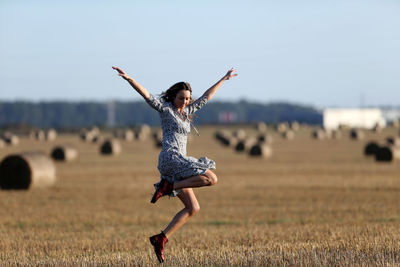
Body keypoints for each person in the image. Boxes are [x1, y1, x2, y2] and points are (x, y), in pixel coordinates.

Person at [112, 66, 237, 263]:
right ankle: (168, 187)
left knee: (193, 208)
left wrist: (224, 78)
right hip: (171, 158)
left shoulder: (187, 112)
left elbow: (206, 96)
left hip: (180, 163)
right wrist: (130, 79)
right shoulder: (166, 109)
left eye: (187, 98)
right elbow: (146, 95)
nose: (185, 101)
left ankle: (161, 238)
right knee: (211, 178)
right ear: (173, 97)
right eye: (181, 98)